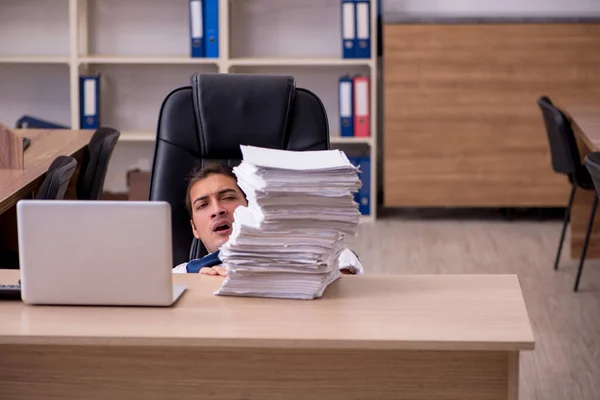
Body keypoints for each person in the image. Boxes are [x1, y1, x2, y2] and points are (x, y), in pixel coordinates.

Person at [172, 163, 364, 276]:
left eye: (228, 198)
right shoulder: (183, 275)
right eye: (203, 205)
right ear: (194, 228)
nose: (217, 210)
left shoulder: (319, 254)